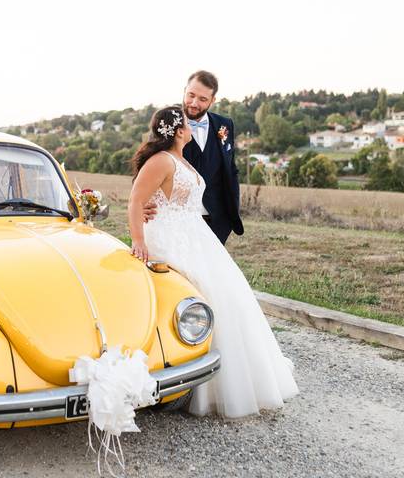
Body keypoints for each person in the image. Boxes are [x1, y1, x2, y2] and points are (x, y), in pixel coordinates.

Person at [128, 105, 298, 418]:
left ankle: (227, 376)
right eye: (186, 124)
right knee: (201, 294)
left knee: (229, 296)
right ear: (179, 131)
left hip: (196, 236)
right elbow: (136, 200)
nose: (192, 127)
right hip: (169, 238)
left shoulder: (181, 160)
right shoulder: (160, 160)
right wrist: (139, 240)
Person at [145, 70, 243, 245]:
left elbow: (230, 168)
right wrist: (142, 202)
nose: (194, 103)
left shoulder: (225, 125)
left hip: (218, 220)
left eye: (203, 99)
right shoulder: (167, 123)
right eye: (191, 95)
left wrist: (232, 210)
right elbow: (147, 166)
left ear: (213, 100)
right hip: (178, 220)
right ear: (184, 91)